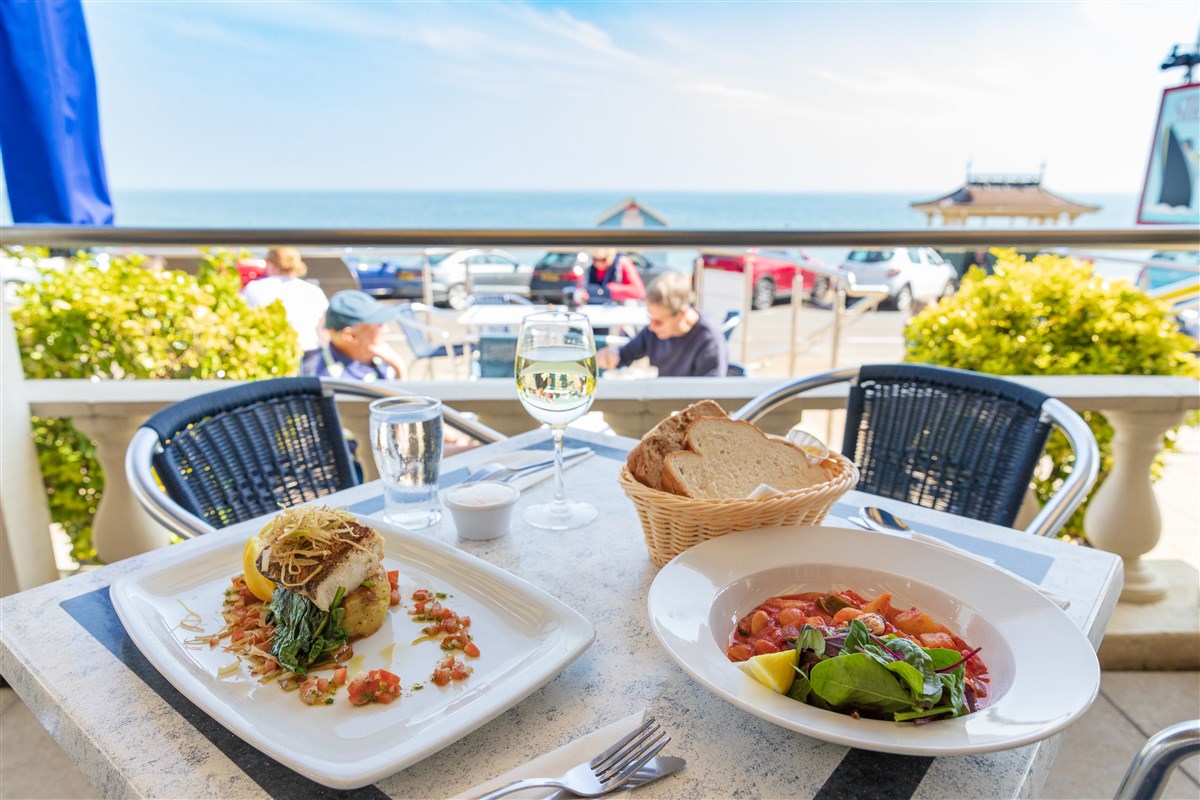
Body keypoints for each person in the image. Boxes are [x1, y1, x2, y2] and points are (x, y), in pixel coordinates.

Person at [596, 271, 727, 377]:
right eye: (650, 318)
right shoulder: (653, 332)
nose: (651, 326)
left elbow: (710, 399)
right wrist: (614, 354)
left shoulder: (709, 341)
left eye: (658, 321)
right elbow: (627, 353)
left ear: (682, 314)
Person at [301, 290, 407, 381]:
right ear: (351, 336)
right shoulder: (334, 379)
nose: (386, 330)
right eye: (379, 324)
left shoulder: (375, 358)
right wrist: (400, 369)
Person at [241, 247, 329, 356]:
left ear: (270, 263)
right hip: (310, 354)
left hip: (270, 354)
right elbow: (324, 327)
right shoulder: (314, 291)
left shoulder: (255, 288)